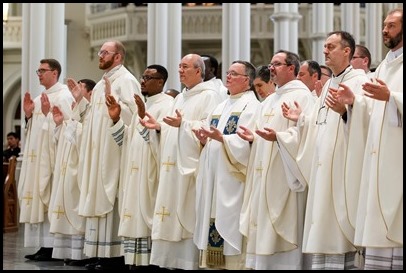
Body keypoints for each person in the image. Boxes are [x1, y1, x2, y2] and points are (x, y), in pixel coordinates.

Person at [274, 31, 370, 269]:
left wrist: (348, 111)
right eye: (325, 47)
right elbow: (319, 124)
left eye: (331, 47)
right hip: (322, 168)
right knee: (323, 225)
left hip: (343, 170)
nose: (325, 51)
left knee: (340, 230)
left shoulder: (359, 81)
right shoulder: (328, 87)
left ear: (346, 51)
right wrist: (302, 120)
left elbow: (369, 121)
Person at [334, 8, 403, 270]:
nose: (385, 30)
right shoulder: (384, 66)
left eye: (392, 26)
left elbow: (387, 101)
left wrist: (393, 98)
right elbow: (370, 111)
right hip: (378, 161)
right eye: (384, 25)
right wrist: (352, 106)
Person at [139, 53, 222, 270]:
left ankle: (187, 263)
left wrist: (183, 124)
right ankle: (168, 262)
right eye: (179, 66)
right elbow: (171, 126)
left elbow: (208, 128)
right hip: (171, 166)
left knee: (186, 214)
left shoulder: (210, 96)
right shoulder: (180, 97)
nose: (180, 70)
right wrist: (158, 127)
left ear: (198, 71)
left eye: (185, 67)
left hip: (189, 168)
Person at [237, 50, 315, 270]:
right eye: (271, 64)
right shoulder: (270, 101)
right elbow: (260, 132)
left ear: (292, 68)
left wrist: (279, 138)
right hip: (263, 175)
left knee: (283, 232)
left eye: (277, 64)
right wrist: (253, 139)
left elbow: (307, 136)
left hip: (285, 176)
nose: (271, 68)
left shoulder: (303, 96)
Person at [77, 40, 141, 270]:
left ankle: (113, 255)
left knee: (111, 196)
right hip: (98, 150)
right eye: (99, 51)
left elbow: (135, 115)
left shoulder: (126, 80)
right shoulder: (102, 84)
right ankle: (98, 251)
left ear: (118, 57)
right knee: (96, 195)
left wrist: (117, 113)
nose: (100, 55)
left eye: (105, 52)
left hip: (114, 152)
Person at [192, 60, 260, 270]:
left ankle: (234, 265)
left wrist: (224, 140)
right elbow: (214, 139)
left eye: (234, 73)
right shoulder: (221, 106)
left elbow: (249, 143)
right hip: (214, 177)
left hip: (233, 180)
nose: (228, 77)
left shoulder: (253, 107)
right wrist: (203, 140)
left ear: (246, 80)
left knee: (229, 225)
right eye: (228, 73)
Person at [105, 64, 174, 269]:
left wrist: (144, 117)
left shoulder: (167, 104)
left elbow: (164, 139)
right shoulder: (140, 106)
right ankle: (133, 261)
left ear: (161, 81)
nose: (142, 81)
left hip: (150, 171)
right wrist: (116, 118)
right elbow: (127, 139)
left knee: (147, 212)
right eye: (142, 77)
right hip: (134, 169)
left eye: (148, 78)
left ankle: (149, 262)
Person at [18, 58, 75, 261]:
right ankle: (43, 245)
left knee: (51, 199)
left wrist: (47, 116)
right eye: (38, 71)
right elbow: (33, 131)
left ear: (55, 72)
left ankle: (53, 247)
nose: (39, 74)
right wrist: (28, 116)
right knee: (38, 201)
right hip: (37, 159)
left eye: (43, 70)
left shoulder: (65, 96)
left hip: (54, 158)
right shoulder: (37, 98)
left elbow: (69, 126)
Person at [48, 78, 96, 266]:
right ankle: (69, 253)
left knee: (78, 208)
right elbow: (64, 141)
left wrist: (73, 127)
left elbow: (89, 138)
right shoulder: (75, 112)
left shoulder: (92, 112)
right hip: (67, 168)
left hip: (81, 169)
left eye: (80, 88)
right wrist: (61, 125)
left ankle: (82, 254)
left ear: (90, 93)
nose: (75, 91)